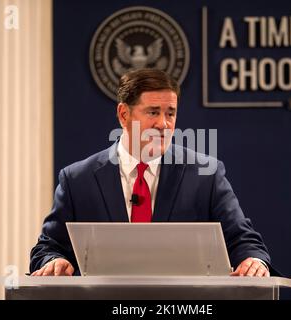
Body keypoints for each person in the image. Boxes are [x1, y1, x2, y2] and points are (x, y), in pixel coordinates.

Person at [30, 68, 275, 277]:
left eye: (170, 113)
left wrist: (253, 260)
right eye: (153, 112)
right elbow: (48, 247)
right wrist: (53, 261)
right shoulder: (78, 180)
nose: (164, 124)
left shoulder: (205, 175)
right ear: (123, 114)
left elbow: (243, 240)